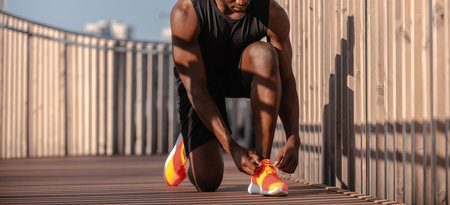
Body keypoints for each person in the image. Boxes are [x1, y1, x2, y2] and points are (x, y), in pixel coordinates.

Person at [164, 0, 300, 196]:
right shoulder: (186, 12)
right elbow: (196, 89)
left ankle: (263, 169)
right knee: (208, 181)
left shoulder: (271, 12)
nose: (242, 1)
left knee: (265, 54)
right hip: (202, 84)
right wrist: (232, 148)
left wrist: (293, 137)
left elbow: (286, 80)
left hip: (241, 72)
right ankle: (184, 150)